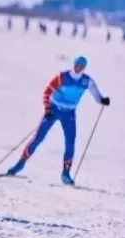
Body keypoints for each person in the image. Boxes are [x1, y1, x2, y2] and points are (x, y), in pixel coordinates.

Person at [6, 56, 110, 184]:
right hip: (53, 110)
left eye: (81, 66)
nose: (78, 68)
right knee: (38, 138)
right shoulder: (62, 76)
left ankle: (66, 173)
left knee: (70, 142)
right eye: (77, 65)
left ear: (84, 67)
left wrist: (102, 100)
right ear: (73, 64)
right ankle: (20, 164)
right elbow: (47, 92)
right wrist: (47, 107)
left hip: (69, 114)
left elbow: (96, 94)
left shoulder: (86, 81)